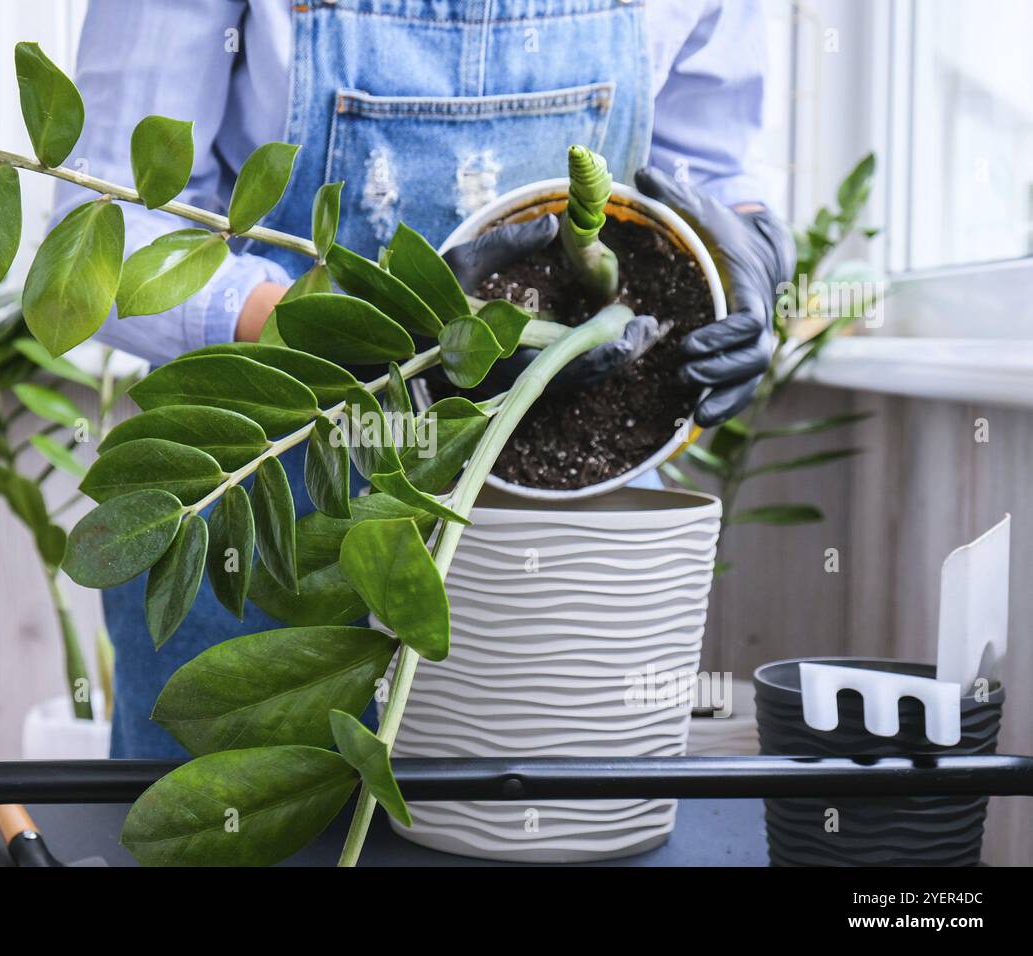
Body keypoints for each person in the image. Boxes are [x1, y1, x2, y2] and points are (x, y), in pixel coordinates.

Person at [51, 0, 795, 759]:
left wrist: (750, 253)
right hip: (265, 506)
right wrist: (368, 332)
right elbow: (98, 242)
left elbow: (713, 164)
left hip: (567, 554)